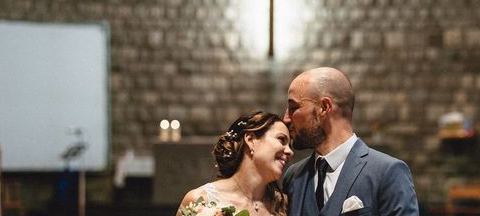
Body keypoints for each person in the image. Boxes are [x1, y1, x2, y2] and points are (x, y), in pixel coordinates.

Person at [282, 67, 419, 216]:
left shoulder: (388, 173)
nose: (286, 119)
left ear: (324, 108)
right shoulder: (293, 176)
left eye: (293, 107)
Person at [177, 110, 294, 216]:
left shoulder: (284, 206)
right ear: (250, 140)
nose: (290, 152)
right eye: (281, 139)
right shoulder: (201, 200)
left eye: (290, 145)